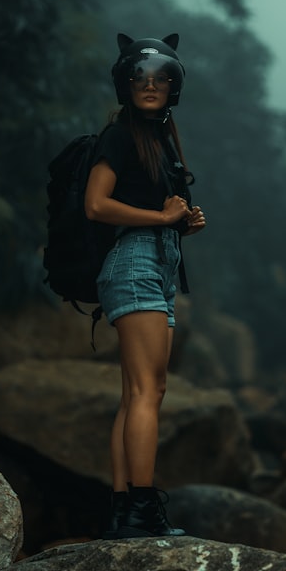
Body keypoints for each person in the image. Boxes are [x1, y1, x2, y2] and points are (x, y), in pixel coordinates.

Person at [84, 33, 206, 539]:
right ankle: (140, 509)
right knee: (147, 392)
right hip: (135, 265)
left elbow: (157, 212)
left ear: (173, 85)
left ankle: (124, 510)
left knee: (136, 392)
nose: (151, 86)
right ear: (126, 85)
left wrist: (181, 221)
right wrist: (161, 216)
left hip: (155, 264)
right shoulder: (120, 134)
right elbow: (96, 205)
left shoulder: (159, 139)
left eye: (161, 78)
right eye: (141, 78)